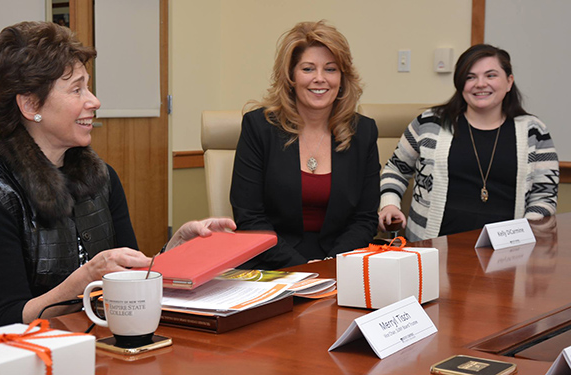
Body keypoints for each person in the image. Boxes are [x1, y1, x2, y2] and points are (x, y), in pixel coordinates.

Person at [0, 21, 235, 331]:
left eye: (89, 86)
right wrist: (86, 279)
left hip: (92, 343)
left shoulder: (101, 177)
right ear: (30, 105)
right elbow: (4, 320)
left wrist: (175, 249)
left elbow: (124, 276)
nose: (94, 101)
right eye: (76, 89)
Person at [230, 21, 380, 270]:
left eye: (330, 69)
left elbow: (364, 219)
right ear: (290, 76)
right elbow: (250, 218)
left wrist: (331, 265)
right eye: (308, 69)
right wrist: (301, 268)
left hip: (341, 263)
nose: (320, 79)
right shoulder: (259, 127)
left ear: (342, 79)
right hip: (271, 264)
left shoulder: (362, 132)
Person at [379, 44, 558, 242]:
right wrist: (389, 204)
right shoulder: (430, 123)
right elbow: (396, 169)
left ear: (509, 82)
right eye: (470, 77)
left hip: (508, 253)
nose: (480, 84)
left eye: (490, 75)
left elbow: (544, 195)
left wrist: (522, 238)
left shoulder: (534, 131)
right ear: (460, 83)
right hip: (432, 247)